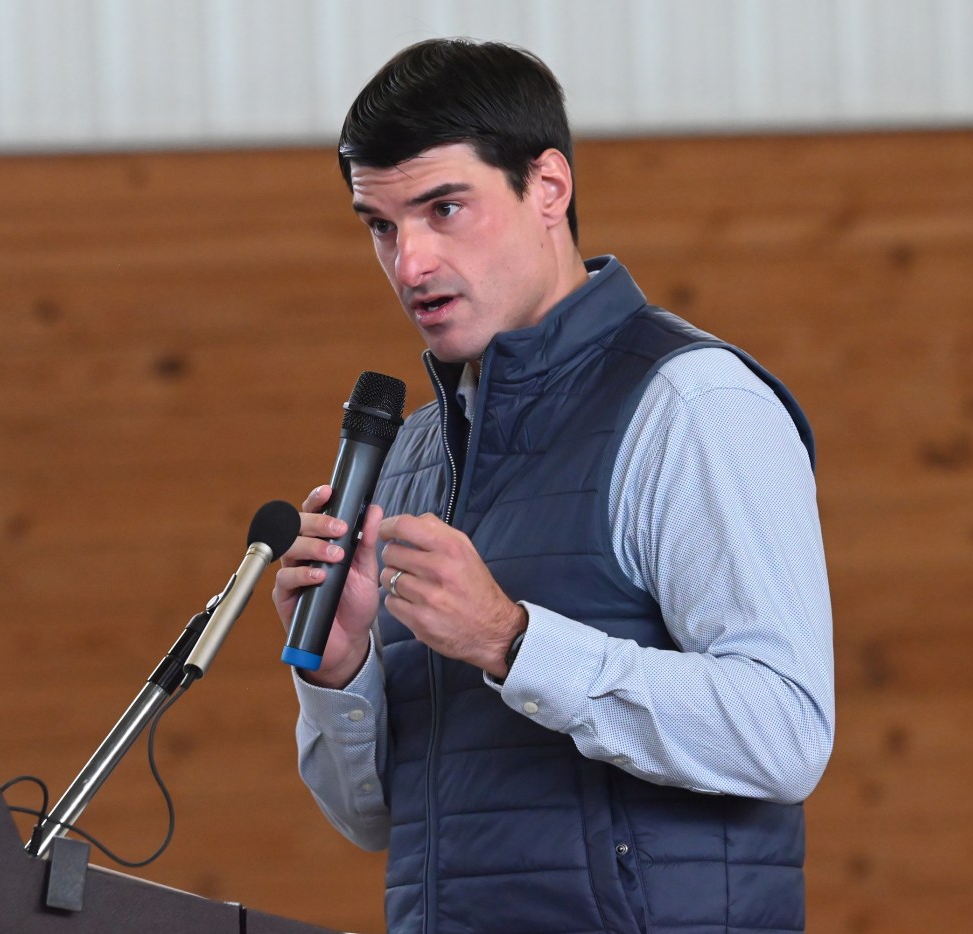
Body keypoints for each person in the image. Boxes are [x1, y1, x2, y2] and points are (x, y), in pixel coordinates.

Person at [271, 37, 834, 934]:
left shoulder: (692, 406)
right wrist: (341, 672)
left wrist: (511, 639)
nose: (409, 263)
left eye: (444, 208)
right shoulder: (413, 457)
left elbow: (787, 732)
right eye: (381, 225)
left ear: (549, 188)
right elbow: (377, 823)